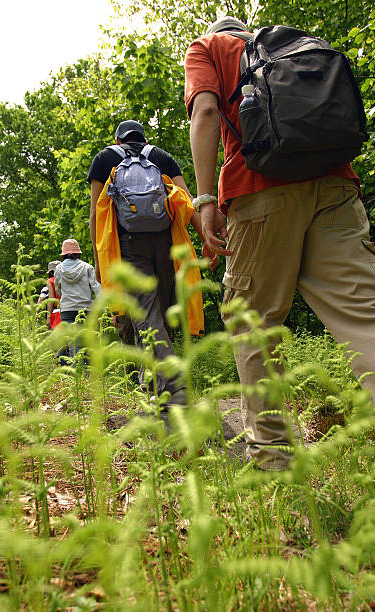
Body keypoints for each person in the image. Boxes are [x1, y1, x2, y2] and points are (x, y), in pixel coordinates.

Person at [184, 16, 375, 470]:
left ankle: (274, 458)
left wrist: (205, 198)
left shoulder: (208, 48)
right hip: (335, 186)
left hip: (260, 189)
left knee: (253, 319)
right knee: (364, 314)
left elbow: (206, 113)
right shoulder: (297, 45)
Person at [88, 120, 209, 406]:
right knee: (160, 315)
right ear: (143, 138)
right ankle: (155, 386)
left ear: (117, 140)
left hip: (129, 246)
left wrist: (99, 259)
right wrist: (206, 238)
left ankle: (173, 385)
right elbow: (187, 202)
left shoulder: (105, 159)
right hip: (166, 244)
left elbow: (95, 214)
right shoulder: (161, 157)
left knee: (147, 315)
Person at [54, 239, 102, 359]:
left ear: (64, 254)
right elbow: (97, 288)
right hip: (86, 310)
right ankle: (90, 373)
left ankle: (78, 373)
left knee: (73, 343)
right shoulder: (87, 267)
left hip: (67, 310)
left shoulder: (58, 269)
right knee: (88, 342)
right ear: (78, 253)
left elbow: (58, 289)